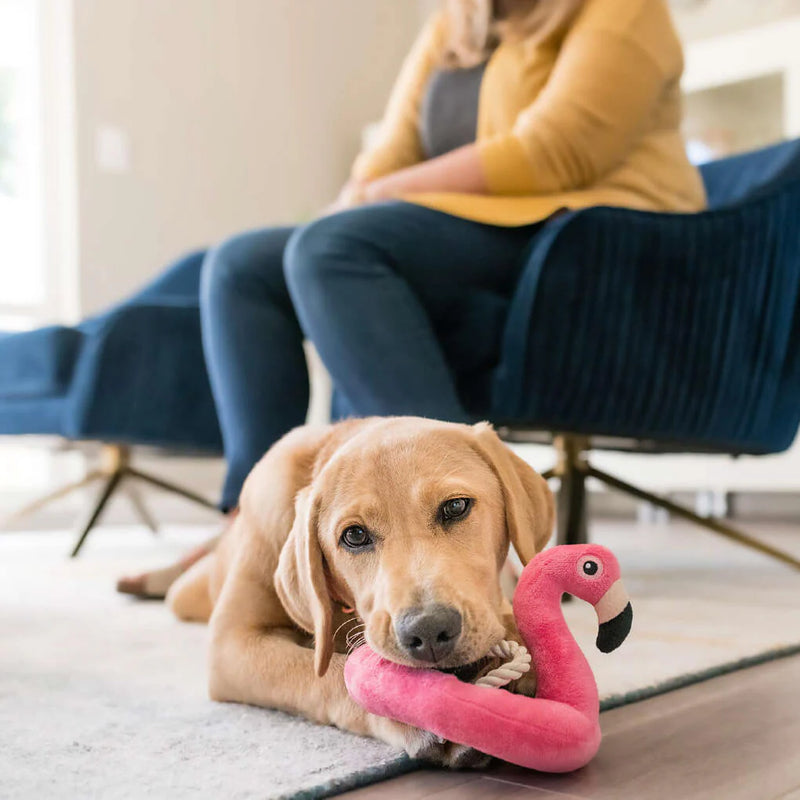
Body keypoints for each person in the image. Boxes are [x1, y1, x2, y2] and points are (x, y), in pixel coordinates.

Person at [117, 0, 706, 597]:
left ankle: (470, 540)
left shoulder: (625, 9)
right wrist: (354, 198)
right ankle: (247, 530)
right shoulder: (456, 26)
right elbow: (389, 151)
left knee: (330, 251)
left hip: (588, 243)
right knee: (242, 265)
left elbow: (554, 151)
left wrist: (375, 195)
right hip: (480, 229)